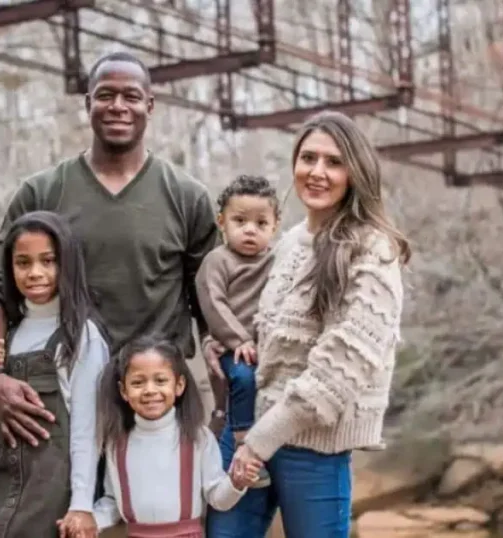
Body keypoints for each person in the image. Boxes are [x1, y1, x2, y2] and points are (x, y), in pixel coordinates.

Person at [0, 50, 219, 526]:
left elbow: (213, 307)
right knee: (42, 521)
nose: (118, 106)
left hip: (152, 401)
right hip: (55, 399)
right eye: (105, 95)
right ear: (88, 104)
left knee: (149, 524)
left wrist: (227, 399)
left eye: (131, 96)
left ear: (151, 104)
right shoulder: (43, 191)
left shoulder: (186, 196)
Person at [204, 110, 412, 538]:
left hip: (313, 447)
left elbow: (339, 372)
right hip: (248, 429)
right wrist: (225, 343)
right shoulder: (287, 243)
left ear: (356, 172)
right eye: (308, 158)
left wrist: (258, 442)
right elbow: (271, 333)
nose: (317, 172)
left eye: (334, 162)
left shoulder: (372, 252)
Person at [0, 210, 110, 538]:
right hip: (4, 481)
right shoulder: (10, 333)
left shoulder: (80, 336)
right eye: (23, 262)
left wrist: (82, 504)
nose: (35, 273)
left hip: (55, 490)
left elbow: (89, 429)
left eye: (48, 261)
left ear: (66, 264)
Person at [74, 335, 260, 538]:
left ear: (179, 385)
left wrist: (236, 483)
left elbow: (217, 497)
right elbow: (113, 501)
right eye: (137, 382)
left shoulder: (198, 437)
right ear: (123, 390)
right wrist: (90, 521)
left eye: (160, 380)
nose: (150, 390)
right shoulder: (116, 444)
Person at [193, 174, 279, 488]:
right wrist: (238, 338)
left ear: (275, 226)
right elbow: (213, 304)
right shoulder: (217, 261)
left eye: (261, 223)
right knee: (243, 378)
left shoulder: (277, 261)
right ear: (222, 222)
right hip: (233, 347)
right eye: (239, 220)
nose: (250, 230)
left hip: (269, 347)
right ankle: (242, 446)